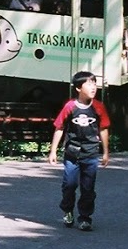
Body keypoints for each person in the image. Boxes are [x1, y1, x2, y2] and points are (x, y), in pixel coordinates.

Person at [47, 71, 110, 232]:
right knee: (70, 184)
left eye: (94, 83)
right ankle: (68, 210)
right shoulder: (70, 106)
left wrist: (105, 152)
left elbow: (103, 129)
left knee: (88, 188)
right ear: (78, 88)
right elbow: (59, 127)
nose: (93, 87)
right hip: (72, 153)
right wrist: (53, 151)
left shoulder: (98, 107)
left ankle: (85, 218)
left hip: (91, 153)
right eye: (89, 84)